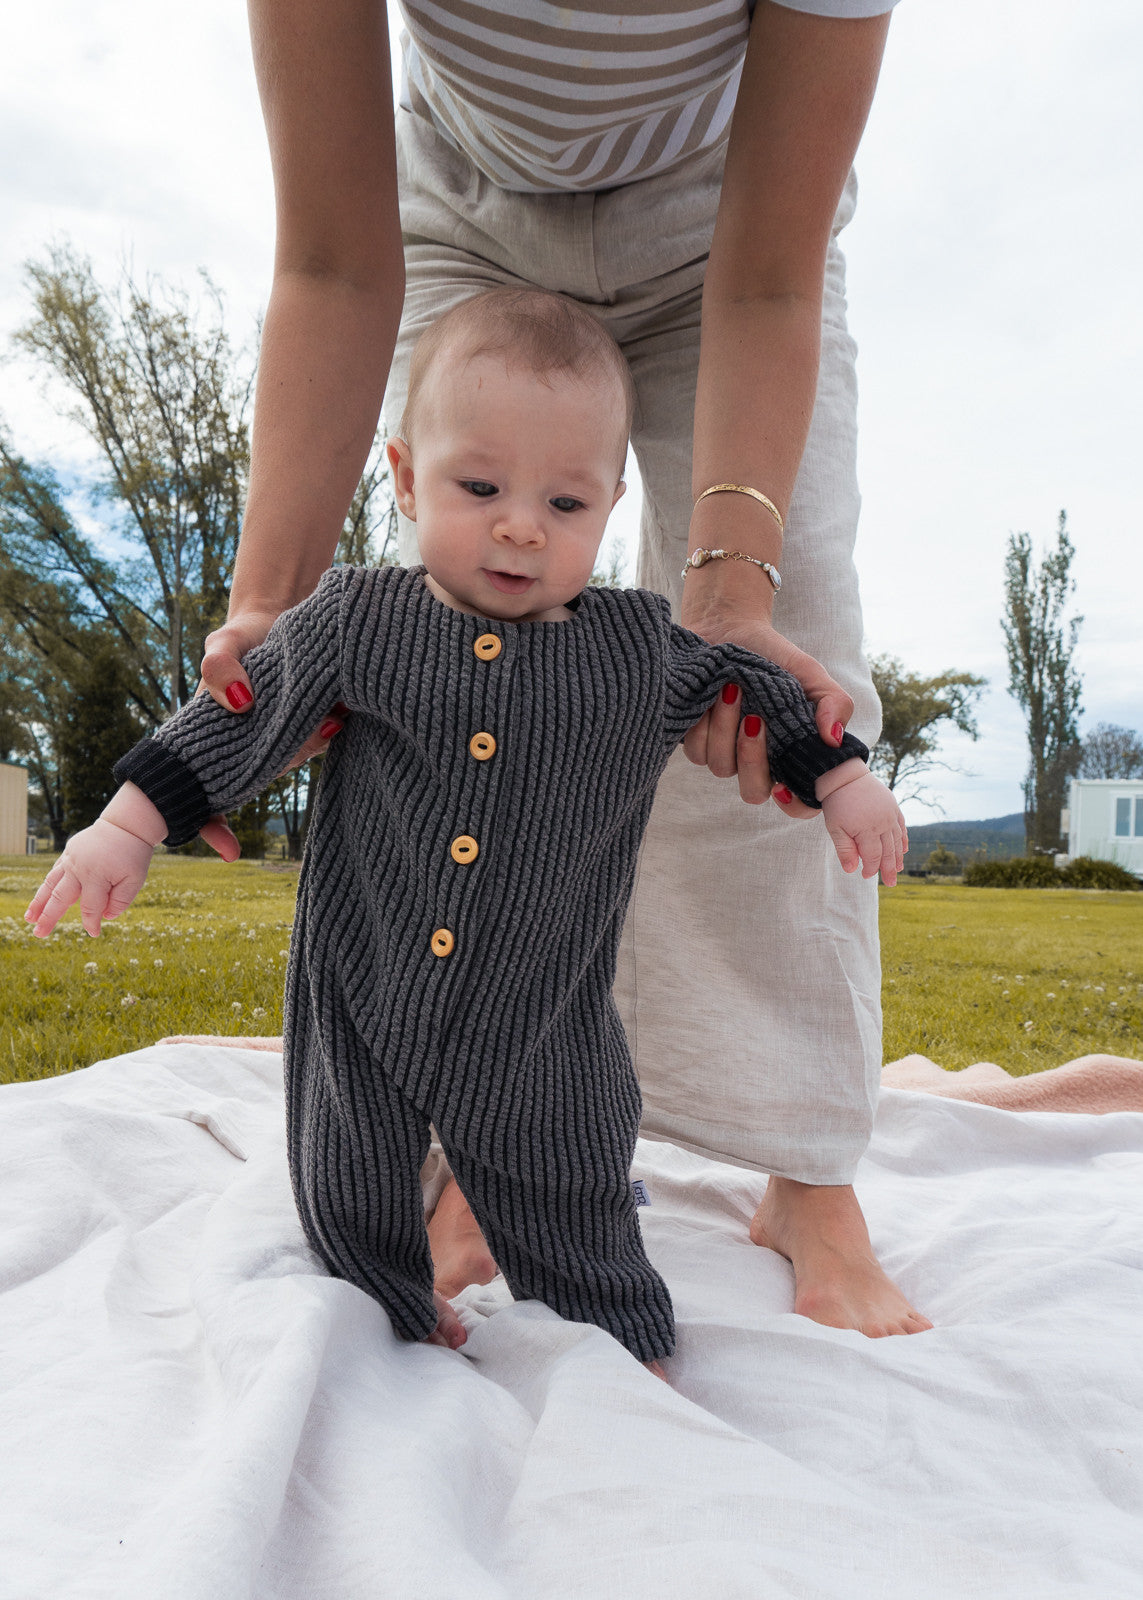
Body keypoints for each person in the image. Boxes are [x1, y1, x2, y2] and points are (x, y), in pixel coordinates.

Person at [197, 0, 933, 1337]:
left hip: (722, 227)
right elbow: (329, 264)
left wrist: (722, 586)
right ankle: (487, 1146)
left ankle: (803, 1173)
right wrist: (273, 605)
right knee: (451, 648)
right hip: (461, 207)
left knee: (787, 631)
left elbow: (766, 281)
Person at [25, 290, 908, 1369]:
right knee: (348, 1183)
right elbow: (239, 709)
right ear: (404, 477)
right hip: (367, 986)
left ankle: (617, 1346)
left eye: (568, 503)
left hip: (545, 1020)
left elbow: (754, 689)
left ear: (615, 506)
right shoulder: (356, 618)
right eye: (479, 486)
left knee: (573, 1183)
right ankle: (391, 1306)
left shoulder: (638, 650)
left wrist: (845, 778)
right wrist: (124, 824)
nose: (522, 524)